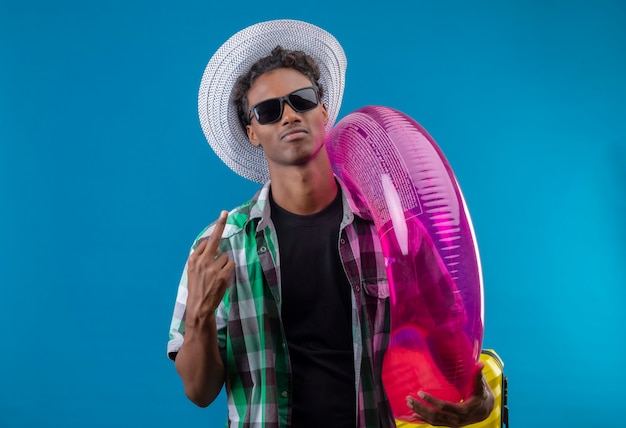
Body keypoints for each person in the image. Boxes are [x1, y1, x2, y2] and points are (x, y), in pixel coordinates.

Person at [167, 19, 494, 428]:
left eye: (301, 100)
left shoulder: (391, 230)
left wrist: (477, 396)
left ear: (323, 111)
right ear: (253, 133)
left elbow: (450, 336)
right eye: (268, 111)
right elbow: (199, 392)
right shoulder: (222, 247)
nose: (288, 116)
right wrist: (198, 314)